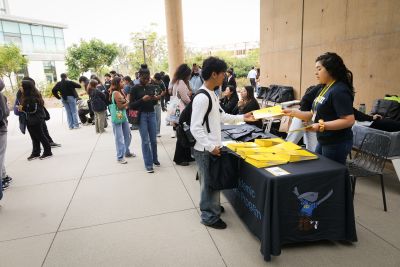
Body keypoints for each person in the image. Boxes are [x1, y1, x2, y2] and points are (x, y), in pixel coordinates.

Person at [191, 57, 257, 229]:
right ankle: (209, 216)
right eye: (222, 74)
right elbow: (195, 128)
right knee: (209, 184)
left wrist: (243, 117)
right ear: (214, 74)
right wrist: (211, 147)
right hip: (206, 149)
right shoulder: (202, 97)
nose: (225, 77)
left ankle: (212, 206)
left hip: (211, 147)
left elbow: (221, 116)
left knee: (213, 180)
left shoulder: (211, 93)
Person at [284, 52, 355, 164]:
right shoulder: (324, 88)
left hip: (336, 142)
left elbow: (349, 120)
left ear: (330, 70)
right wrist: (292, 112)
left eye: (319, 69)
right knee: (321, 171)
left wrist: (321, 126)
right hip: (323, 140)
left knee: (331, 177)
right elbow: (313, 114)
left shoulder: (339, 90)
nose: (316, 73)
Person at [129, 64, 161, 173]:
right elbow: (131, 105)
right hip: (141, 116)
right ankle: (148, 164)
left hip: (151, 113)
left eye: (148, 78)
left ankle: (155, 159)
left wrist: (156, 99)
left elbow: (154, 102)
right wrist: (142, 99)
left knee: (153, 140)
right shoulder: (134, 88)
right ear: (139, 77)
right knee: (145, 141)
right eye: (144, 78)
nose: (147, 80)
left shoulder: (151, 86)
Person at [19, 77, 61, 148]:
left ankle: (47, 148)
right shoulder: (23, 93)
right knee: (37, 135)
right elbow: (25, 105)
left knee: (41, 133)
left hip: (37, 116)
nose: (20, 87)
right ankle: (39, 150)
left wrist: (23, 108)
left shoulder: (33, 93)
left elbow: (33, 107)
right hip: (32, 117)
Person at [20, 80, 52, 160]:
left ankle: (48, 152)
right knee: (34, 137)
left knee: (41, 136)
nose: (20, 87)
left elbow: (33, 109)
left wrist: (23, 108)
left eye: (21, 85)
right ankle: (36, 153)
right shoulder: (26, 96)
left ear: (26, 87)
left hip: (36, 119)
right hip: (30, 120)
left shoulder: (33, 97)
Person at [171, 64, 193, 166]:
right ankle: (179, 158)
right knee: (183, 135)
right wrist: (193, 101)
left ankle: (187, 156)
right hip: (183, 112)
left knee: (183, 134)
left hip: (178, 111)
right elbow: (185, 99)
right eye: (189, 74)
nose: (190, 76)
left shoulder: (176, 82)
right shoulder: (181, 83)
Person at [109, 77, 134, 164]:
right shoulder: (115, 93)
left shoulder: (121, 91)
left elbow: (125, 104)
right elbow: (120, 106)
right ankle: (120, 157)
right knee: (119, 138)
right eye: (121, 82)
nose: (123, 83)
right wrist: (128, 102)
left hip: (122, 115)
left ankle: (126, 152)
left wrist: (126, 102)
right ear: (117, 83)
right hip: (117, 116)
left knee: (128, 135)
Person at [0, 79, 11, 194]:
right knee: (1, 155)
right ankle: (2, 180)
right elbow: (5, 113)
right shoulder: (0, 96)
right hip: (1, 129)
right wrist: (7, 106)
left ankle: (3, 176)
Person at [151, 73, 167, 137]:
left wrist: (160, 96)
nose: (158, 82)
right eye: (157, 80)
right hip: (151, 103)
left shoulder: (161, 82)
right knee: (152, 118)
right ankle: (153, 132)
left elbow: (164, 91)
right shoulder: (150, 82)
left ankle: (157, 132)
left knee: (158, 117)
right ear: (154, 78)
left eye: (159, 80)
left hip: (158, 102)